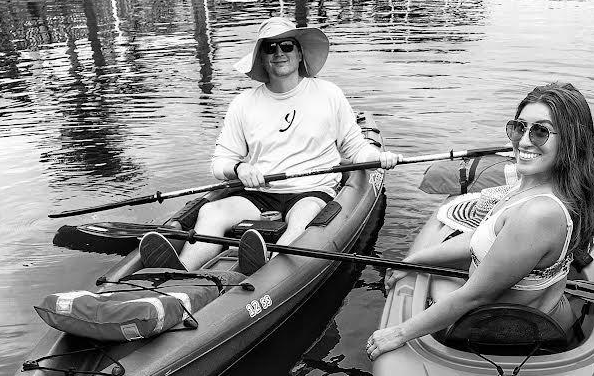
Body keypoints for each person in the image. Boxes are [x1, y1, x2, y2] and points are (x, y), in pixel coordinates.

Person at [139, 16, 399, 276]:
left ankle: (266, 271)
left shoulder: (328, 94)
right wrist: (240, 168)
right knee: (211, 211)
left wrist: (379, 157)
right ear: (261, 57)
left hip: (311, 190)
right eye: (269, 48)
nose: (278, 53)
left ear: (299, 54)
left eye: (286, 46)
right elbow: (219, 163)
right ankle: (177, 274)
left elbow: (356, 149)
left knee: (302, 219)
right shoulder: (243, 104)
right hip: (260, 193)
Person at [365, 81, 594, 360]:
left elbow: (475, 296)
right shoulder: (529, 186)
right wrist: (414, 261)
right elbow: (480, 239)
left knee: (434, 282)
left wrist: (399, 332)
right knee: (429, 271)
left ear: (570, 141)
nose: (524, 141)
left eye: (540, 131)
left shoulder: (539, 213)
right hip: (535, 310)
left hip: (508, 331)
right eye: (519, 127)